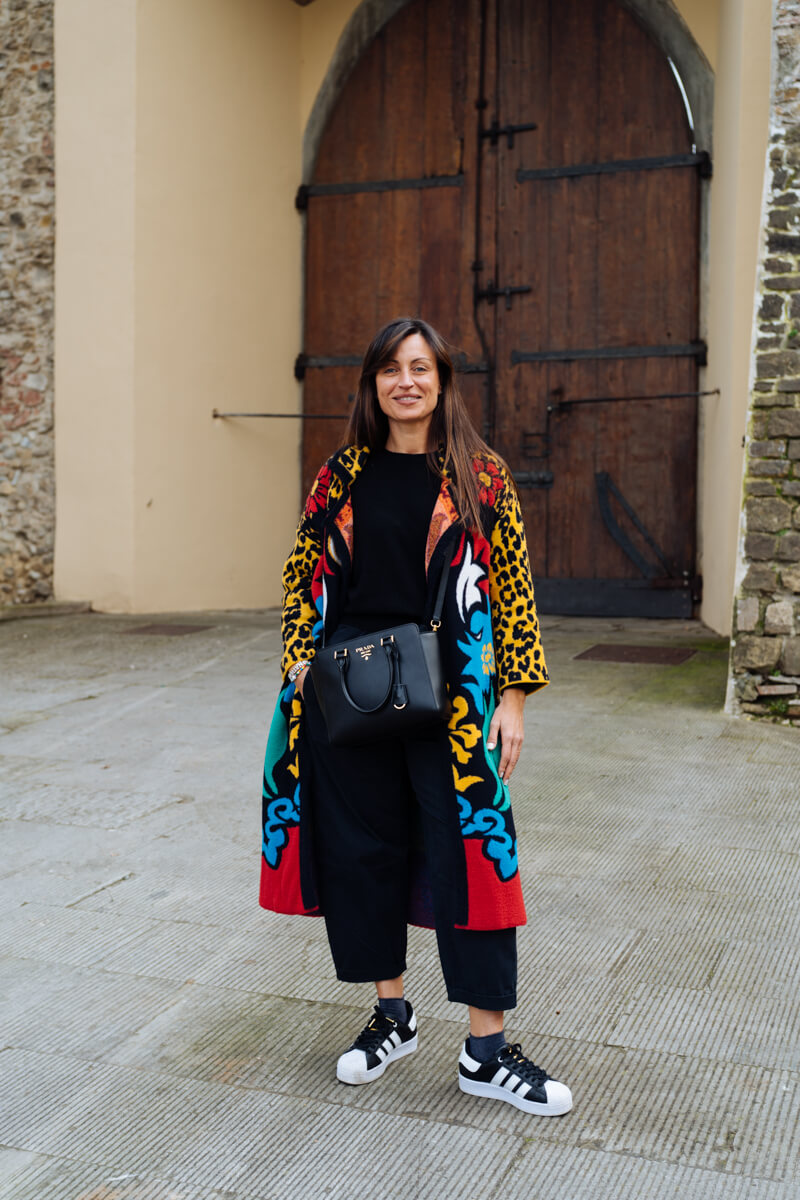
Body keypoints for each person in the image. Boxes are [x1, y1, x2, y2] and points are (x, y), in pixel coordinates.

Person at [260, 316, 572, 1117]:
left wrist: (514, 699)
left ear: (442, 381)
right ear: (372, 383)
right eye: (391, 369)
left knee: (472, 857)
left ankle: (486, 1051)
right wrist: (299, 660)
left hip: (454, 705)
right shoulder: (339, 476)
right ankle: (391, 1016)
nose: (406, 381)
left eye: (420, 367)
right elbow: (300, 577)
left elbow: (515, 590)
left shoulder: (480, 475)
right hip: (349, 697)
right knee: (364, 855)